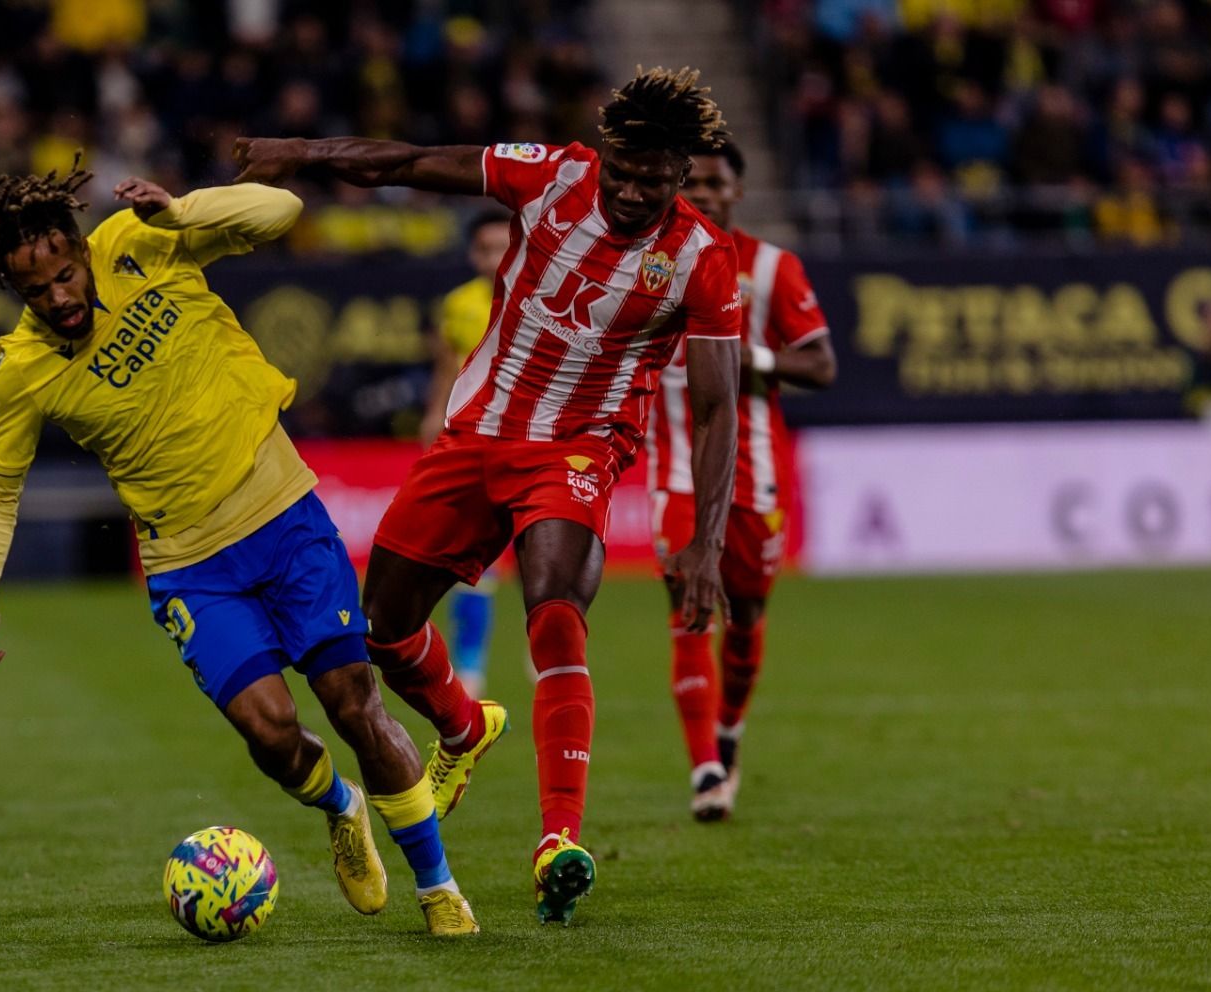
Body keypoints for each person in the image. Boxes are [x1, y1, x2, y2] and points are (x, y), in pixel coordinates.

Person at [235, 66, 747, 925]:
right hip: (475, 435)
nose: (627, 192)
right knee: (385, 628)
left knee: (552, 607)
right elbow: (407, 161)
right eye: (620, 172)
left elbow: (717, 404)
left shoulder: (700, 257)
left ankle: (559, 841)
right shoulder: (552, 172)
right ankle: (465, 727)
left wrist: (705, 540)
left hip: (578, 449)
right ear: (605, 153)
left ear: (681, 175)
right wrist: (302, 151)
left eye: (650, 181)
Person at [0, 161, 478, 936]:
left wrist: (178, 210)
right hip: (192, 567)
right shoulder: (23, 373)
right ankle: (341, 806)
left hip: (285, 517)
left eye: (66, 274)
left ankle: (439, 891)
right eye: (39, 291)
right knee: (268, 731)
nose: (60, 296)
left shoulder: (143, 241)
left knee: (353, 703)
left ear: (79, 249)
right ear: (16, 290)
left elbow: (281, 209)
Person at [643, 139, 835, 821]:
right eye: (691, 181)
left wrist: (739, 355)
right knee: (688, 610)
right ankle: (705, 768)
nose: (705, 193)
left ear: (737, 191)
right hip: (675, 477)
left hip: (753, 479)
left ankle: (727, 732)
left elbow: (821, 365)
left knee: (746, 616)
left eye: (716, 182)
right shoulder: (644, 262)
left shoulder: (774, 268)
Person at [420, 210, 513, 700]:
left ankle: (551, 655)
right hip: (473, 442)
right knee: (474, 561)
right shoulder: (458, 305)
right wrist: (434, 414)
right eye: (487, 249)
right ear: (473, 253)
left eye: (504, 247)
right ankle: (471, 664)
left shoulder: (542, 298)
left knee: (548, 561)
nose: (495, 259)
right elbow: (446, 368)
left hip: (532, 444)